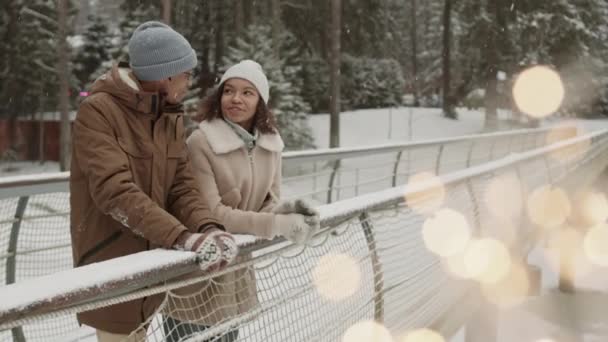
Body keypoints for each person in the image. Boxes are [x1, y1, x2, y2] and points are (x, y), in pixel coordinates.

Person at [69, 21, 238, 342]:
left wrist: (207, 227)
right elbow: (114, 191)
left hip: (152, 265)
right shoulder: (98, 111)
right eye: (186, 75)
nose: (189, 83)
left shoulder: (169, 114)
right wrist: (180, 237)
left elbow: (181, 186)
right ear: (165, 75)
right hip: (112, 265)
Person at [162, 60, 320, 341]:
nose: (235, 99)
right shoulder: (201, 142)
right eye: (229, 91)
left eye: (247, 92)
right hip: (197, 270)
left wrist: (290, 212)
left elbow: (268, 203)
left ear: (261, 101)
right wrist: (277, 224)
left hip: (235, 271)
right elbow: (210, 213)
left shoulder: (271, 144)